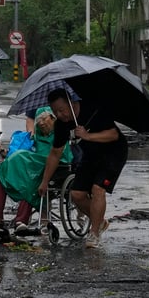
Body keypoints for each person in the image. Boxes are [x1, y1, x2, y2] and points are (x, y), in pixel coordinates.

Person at [38, 87, 128, 248]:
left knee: (97, 189)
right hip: (90, 156)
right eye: (55, 111)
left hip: (113, 153)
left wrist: (87, 136)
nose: (59, 115)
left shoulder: (93, 110)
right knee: (77, 194)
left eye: (62, 110)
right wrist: (45, 181)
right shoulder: (61, 125)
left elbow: (114, 134)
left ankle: (94, 234)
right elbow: (55, 153)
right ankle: (99, 221)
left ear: (72, 104)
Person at [0, 107, 74, 236]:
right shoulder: (32, 137)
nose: (41, 124)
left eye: (44, 120)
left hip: (53, 169)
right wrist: (1, 150)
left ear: (53, 119)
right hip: (33, 168)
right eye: (39, 121)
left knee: (28, 177)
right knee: (4, 172)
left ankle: (21, 220)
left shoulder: (61, 134)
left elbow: (62, 157)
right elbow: (13, 155)